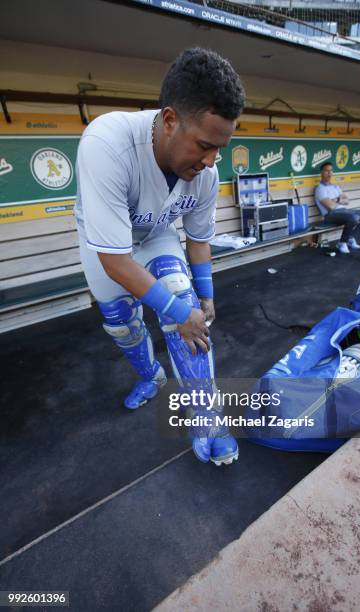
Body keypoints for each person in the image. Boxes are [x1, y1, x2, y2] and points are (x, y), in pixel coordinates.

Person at [74, 47, 245, 466]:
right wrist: (177, 312)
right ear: (170, 120)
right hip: (106, 246)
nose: (211, 160)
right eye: (204, 145)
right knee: (122, 324)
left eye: (219, 148)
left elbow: (199, 238)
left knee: (182, 301)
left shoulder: (206, 170)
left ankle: (209, 418)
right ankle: (151, 378)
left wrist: (203, 298)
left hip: (155, 235)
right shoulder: (106, 143)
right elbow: (115, 262)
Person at [315, 163, 360, 254]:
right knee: (354, 217)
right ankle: (342, 243)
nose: (329, 173)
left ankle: (351, 238)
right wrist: (340, 200)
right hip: (331, 215)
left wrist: (336, 199)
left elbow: (347, 201)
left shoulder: (335, 186)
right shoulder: (320, 189)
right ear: (321, 172)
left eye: (331, 171)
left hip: (345, 211)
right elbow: (330, 206)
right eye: (326, 171)